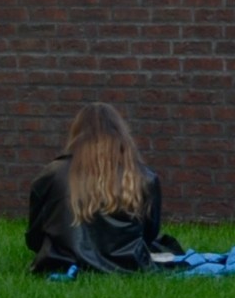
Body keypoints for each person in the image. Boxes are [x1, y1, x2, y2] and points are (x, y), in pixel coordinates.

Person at [26, 103, 181, 275]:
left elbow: (34, 237)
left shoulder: (52, 174)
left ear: (77, 134)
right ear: (121, 134)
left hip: (62, 262)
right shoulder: (145, 177)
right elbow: (149, 234)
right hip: (129, 264)